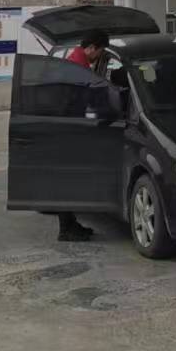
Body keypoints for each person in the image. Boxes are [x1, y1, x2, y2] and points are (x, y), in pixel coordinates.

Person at [55, 29, 109, 242]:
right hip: (70, 130)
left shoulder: (75, 61)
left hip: (68, 128)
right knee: (68, 180)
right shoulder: (79, 67)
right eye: (101, 51)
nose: (99, 56)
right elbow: (79, 101)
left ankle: (70, 224)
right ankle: (65, 229)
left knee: (70, 179)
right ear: (92, 47)